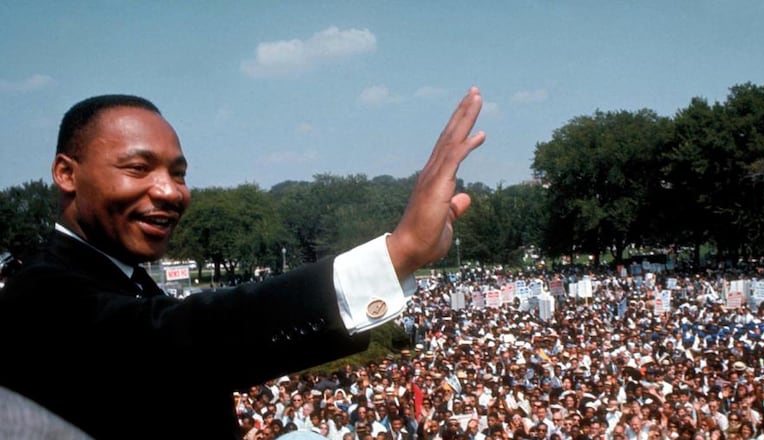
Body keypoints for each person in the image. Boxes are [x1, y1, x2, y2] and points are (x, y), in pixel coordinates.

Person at [0, 87, 486, 439]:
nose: (169, 191)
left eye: (179, 173)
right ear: (66, 172)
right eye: (137, 168)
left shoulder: (127, 284)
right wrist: (397, 254)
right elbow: (183, 339)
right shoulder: (38, 294)